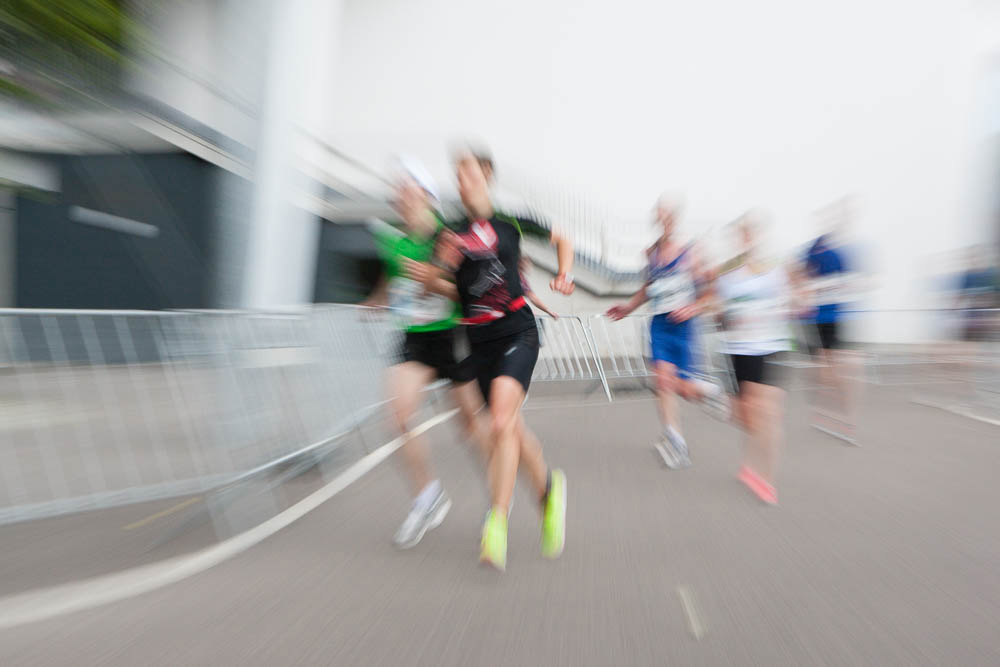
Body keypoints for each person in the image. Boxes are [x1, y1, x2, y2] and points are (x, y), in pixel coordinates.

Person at [418, 146, 574, 571]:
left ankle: (497, 523)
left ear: (487, 175)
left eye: (468, 172)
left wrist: (564, 273)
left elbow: (563, 238)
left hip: (517, 330)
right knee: (512, 429)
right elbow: (431, 283)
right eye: (457, 174)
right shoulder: (449, 230)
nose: (461, 181)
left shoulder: (511, 220)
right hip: (478, 340)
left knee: (501, 421)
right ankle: (549, 493)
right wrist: (441, 267)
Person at [364, 157, 488, 549]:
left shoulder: (448, 238)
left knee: (470, 427)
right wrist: (376, 300)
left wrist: (433, 283)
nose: (399, 194)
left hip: (451, 336)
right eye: (397, 188)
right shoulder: (394, 240)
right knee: (398, 415)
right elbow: (392, 277)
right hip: (414, 339)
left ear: (426, 194)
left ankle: (497, 497)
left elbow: (466, 292)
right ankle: (427, 498)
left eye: (407, 187)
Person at [607, 196, 722, 469]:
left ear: (676, 218)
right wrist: (628, 307)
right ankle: (675, 440)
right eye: (660, 216)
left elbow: (711, 291)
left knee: (684, 389)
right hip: (659, 324)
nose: (664, 220)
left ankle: (709, 391)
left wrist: (694, 307)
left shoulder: (692, 252)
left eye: (669, 216)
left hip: (683, 326)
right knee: (662, 382)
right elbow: (649, 288)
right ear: (657, 220)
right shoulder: (651, 253)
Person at [716, 216, 792, 505]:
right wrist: (723, 315)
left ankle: (767, 479)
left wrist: (797, 300)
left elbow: (794, 299)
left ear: (759, 236)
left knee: (768, 413)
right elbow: (719, 314)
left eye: (751, 232)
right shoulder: (727, 276)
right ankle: (749, 465)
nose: (747, 238)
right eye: (742, 233)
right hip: (737, 349)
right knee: (742, 415)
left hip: (769, 347)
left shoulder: (777, 270)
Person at [801, 225, 857, 444]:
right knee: (828, 363)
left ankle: (834, 405)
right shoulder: (828, 254)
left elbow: (806, 277)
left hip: (824, 317)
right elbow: (844, 282)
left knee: (827, 363)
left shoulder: (816, 254)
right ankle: (833, 405)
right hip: (825, 317)